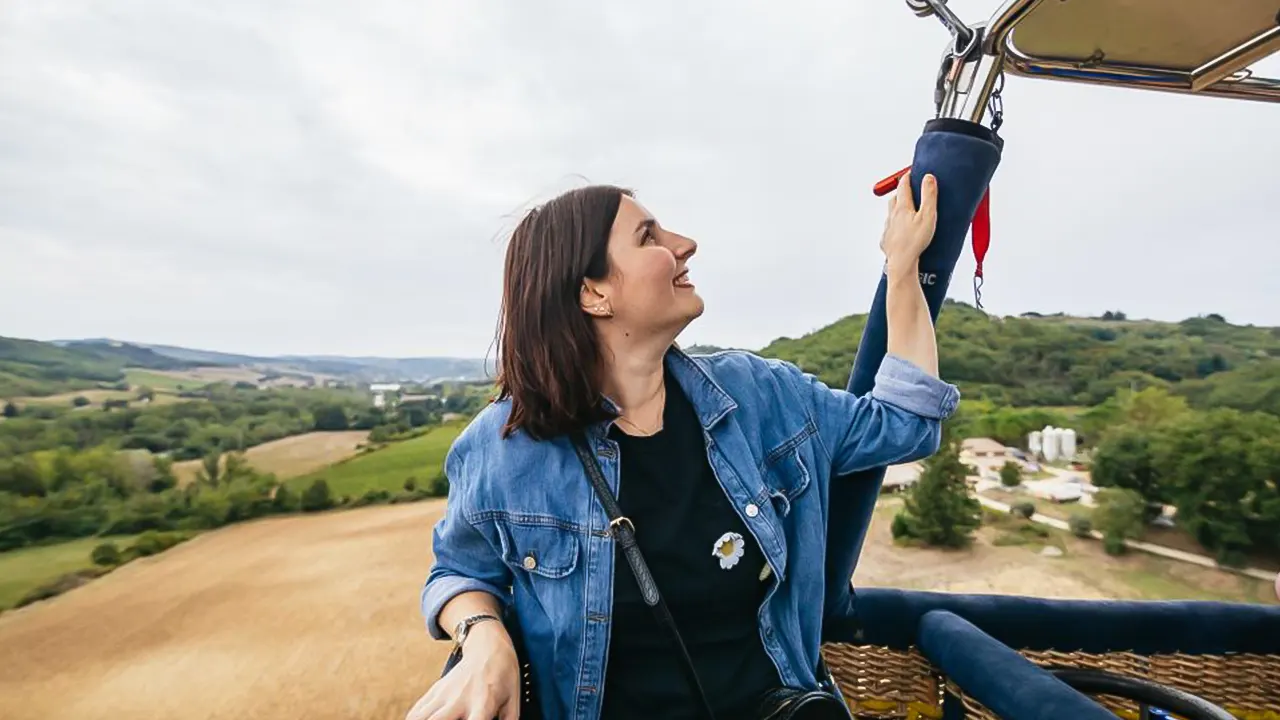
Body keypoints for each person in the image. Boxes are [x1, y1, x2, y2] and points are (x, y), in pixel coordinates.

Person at [407, 171, 958, 720]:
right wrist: (483, 637)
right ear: (593, 293)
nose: (684, 245)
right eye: (649, 237)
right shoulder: (502, 448)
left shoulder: (763, 396)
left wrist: (902, 266)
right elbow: (460, 572)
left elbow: (905, 422)